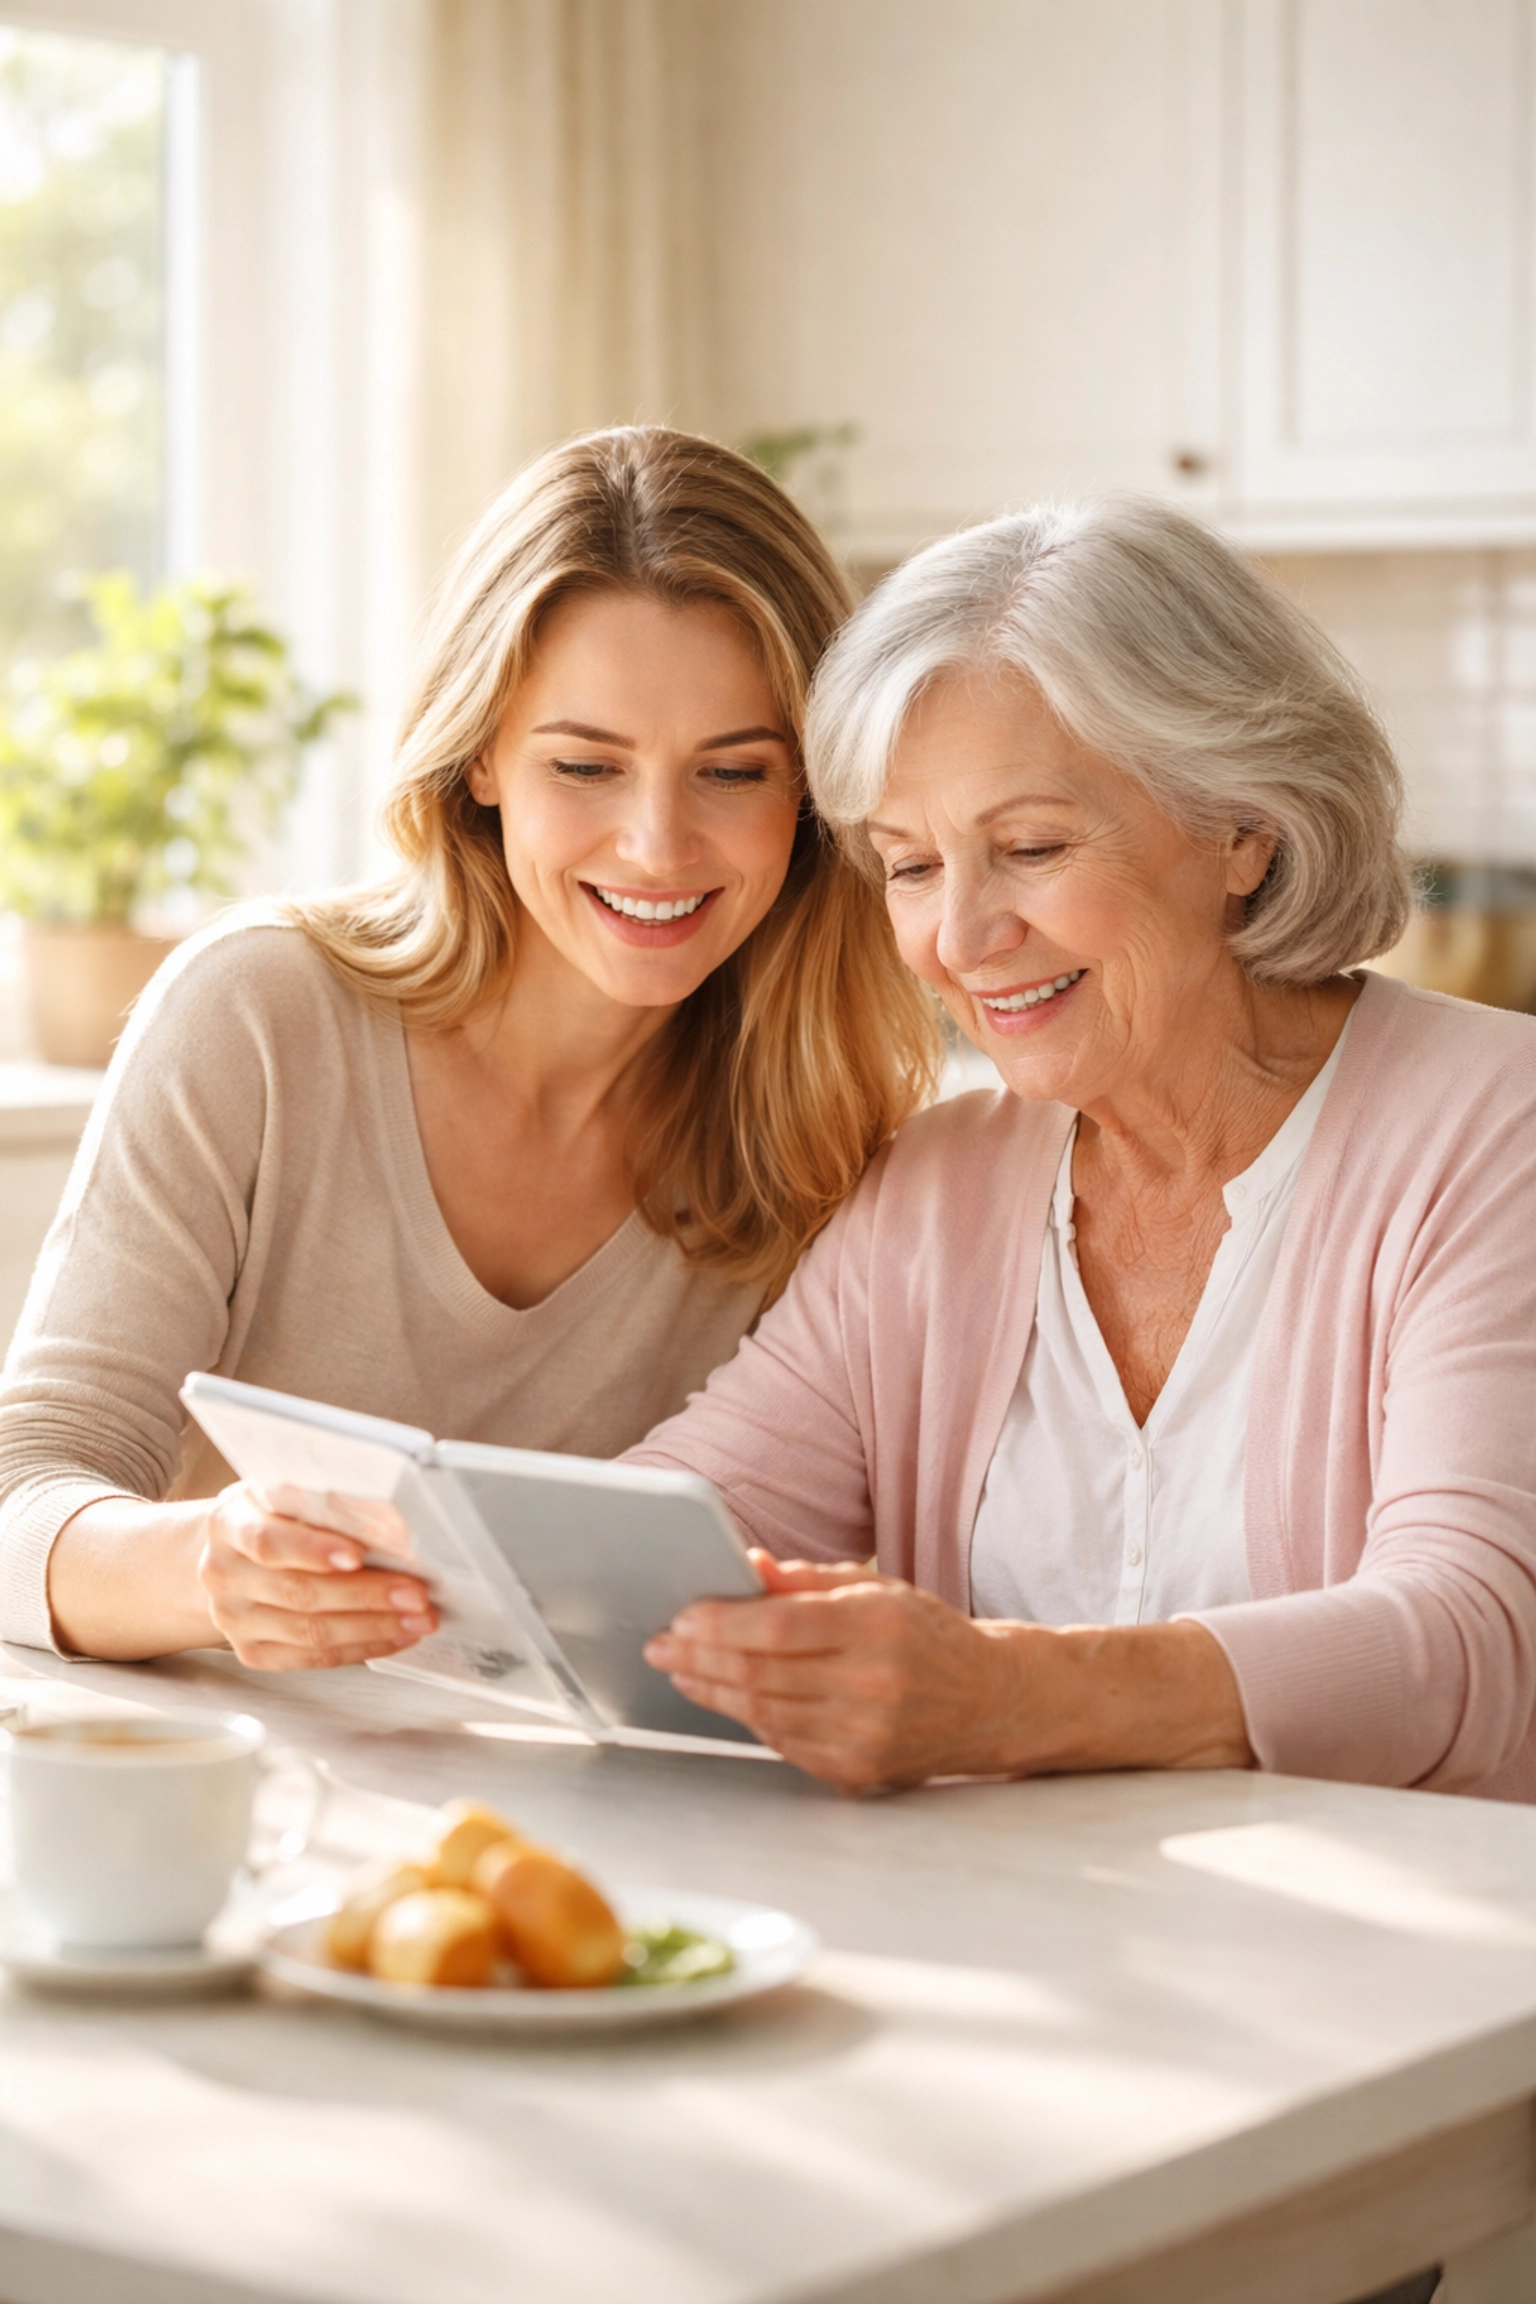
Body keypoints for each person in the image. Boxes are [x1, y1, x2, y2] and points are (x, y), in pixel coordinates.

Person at [634, 497, 1536, 1800]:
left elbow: (1470, 1640)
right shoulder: (941, 1189)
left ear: (1243, 829)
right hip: (1054, 1957)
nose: (959, 936)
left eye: (1031, 848)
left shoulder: (1492, 1132)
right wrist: (380, 1544)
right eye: (911, 866)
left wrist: (1005, 1698)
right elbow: (683, 1515)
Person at [0, 427, 934, 1673]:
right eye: (586, 765)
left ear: (809, 798)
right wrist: (205, 1567)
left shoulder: (815, 1136)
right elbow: (27, 1489)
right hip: (238, 1801)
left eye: (732, 771)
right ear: (483, 753)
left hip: (573, 1826)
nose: (658, 846)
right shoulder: (260, 1019)